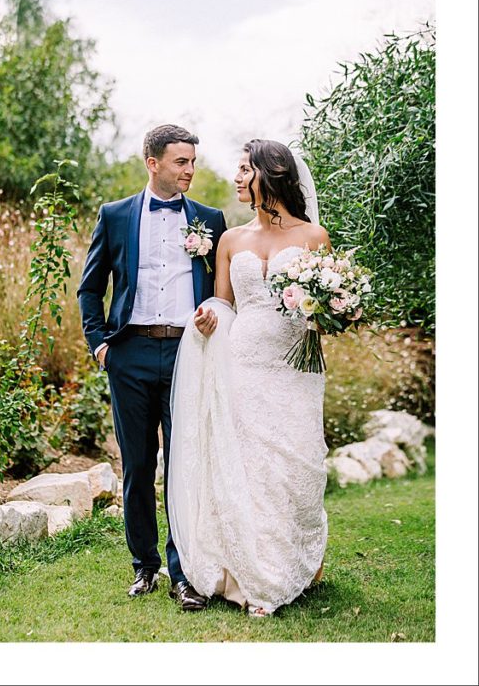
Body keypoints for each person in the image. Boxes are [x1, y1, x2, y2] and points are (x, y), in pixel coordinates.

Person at [167, 139, 329, 617]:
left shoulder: (314, 238)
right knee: (244, 467)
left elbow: (322, 311)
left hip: (292, 367)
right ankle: (245, 574)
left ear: (270, 174)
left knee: (290, 468)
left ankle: (287, 567)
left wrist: (334, 311)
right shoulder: (231, 239)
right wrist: (206, 320)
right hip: (241, 362)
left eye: (244, 170)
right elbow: (223, 304)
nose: (237, 178)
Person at [77, 124, 227, 611]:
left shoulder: (210, 219)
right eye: (181, 161)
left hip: (188, 353)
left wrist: (214, 318)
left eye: (192, 162)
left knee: (184, 464)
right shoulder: (116, 215)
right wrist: (101, 344)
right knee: (138, 465)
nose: (189, 170)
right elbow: (90, 286)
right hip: (131, 353)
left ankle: (185, 573)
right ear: (153, 162)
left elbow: (222, 292)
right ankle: (145, 565)